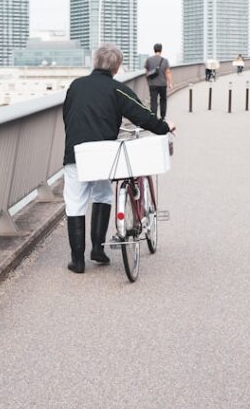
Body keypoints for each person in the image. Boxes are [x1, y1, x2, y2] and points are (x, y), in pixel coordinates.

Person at [62, 43, 175, 274]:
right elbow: (142, 115)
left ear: (95, 62)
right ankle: (97, 250)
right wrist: (165, 126)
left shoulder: (75, 86)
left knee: (75, 203)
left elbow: (67, 115)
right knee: (103, 194)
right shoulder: (117, 89)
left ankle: (78, 261)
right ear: (116, 68)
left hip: (76, 152)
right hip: (103, 154)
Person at [143, 43, 174, 119]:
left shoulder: (149, 60)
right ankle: (163, 117)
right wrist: (170, 83)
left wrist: (148, 82)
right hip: (162, 84)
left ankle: (153, 117)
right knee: (163, 100)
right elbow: (168, 72)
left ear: (154, 49)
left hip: (152, 84)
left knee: (153, 100)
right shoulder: (165, 60)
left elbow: (146, 72)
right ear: (161, 50)